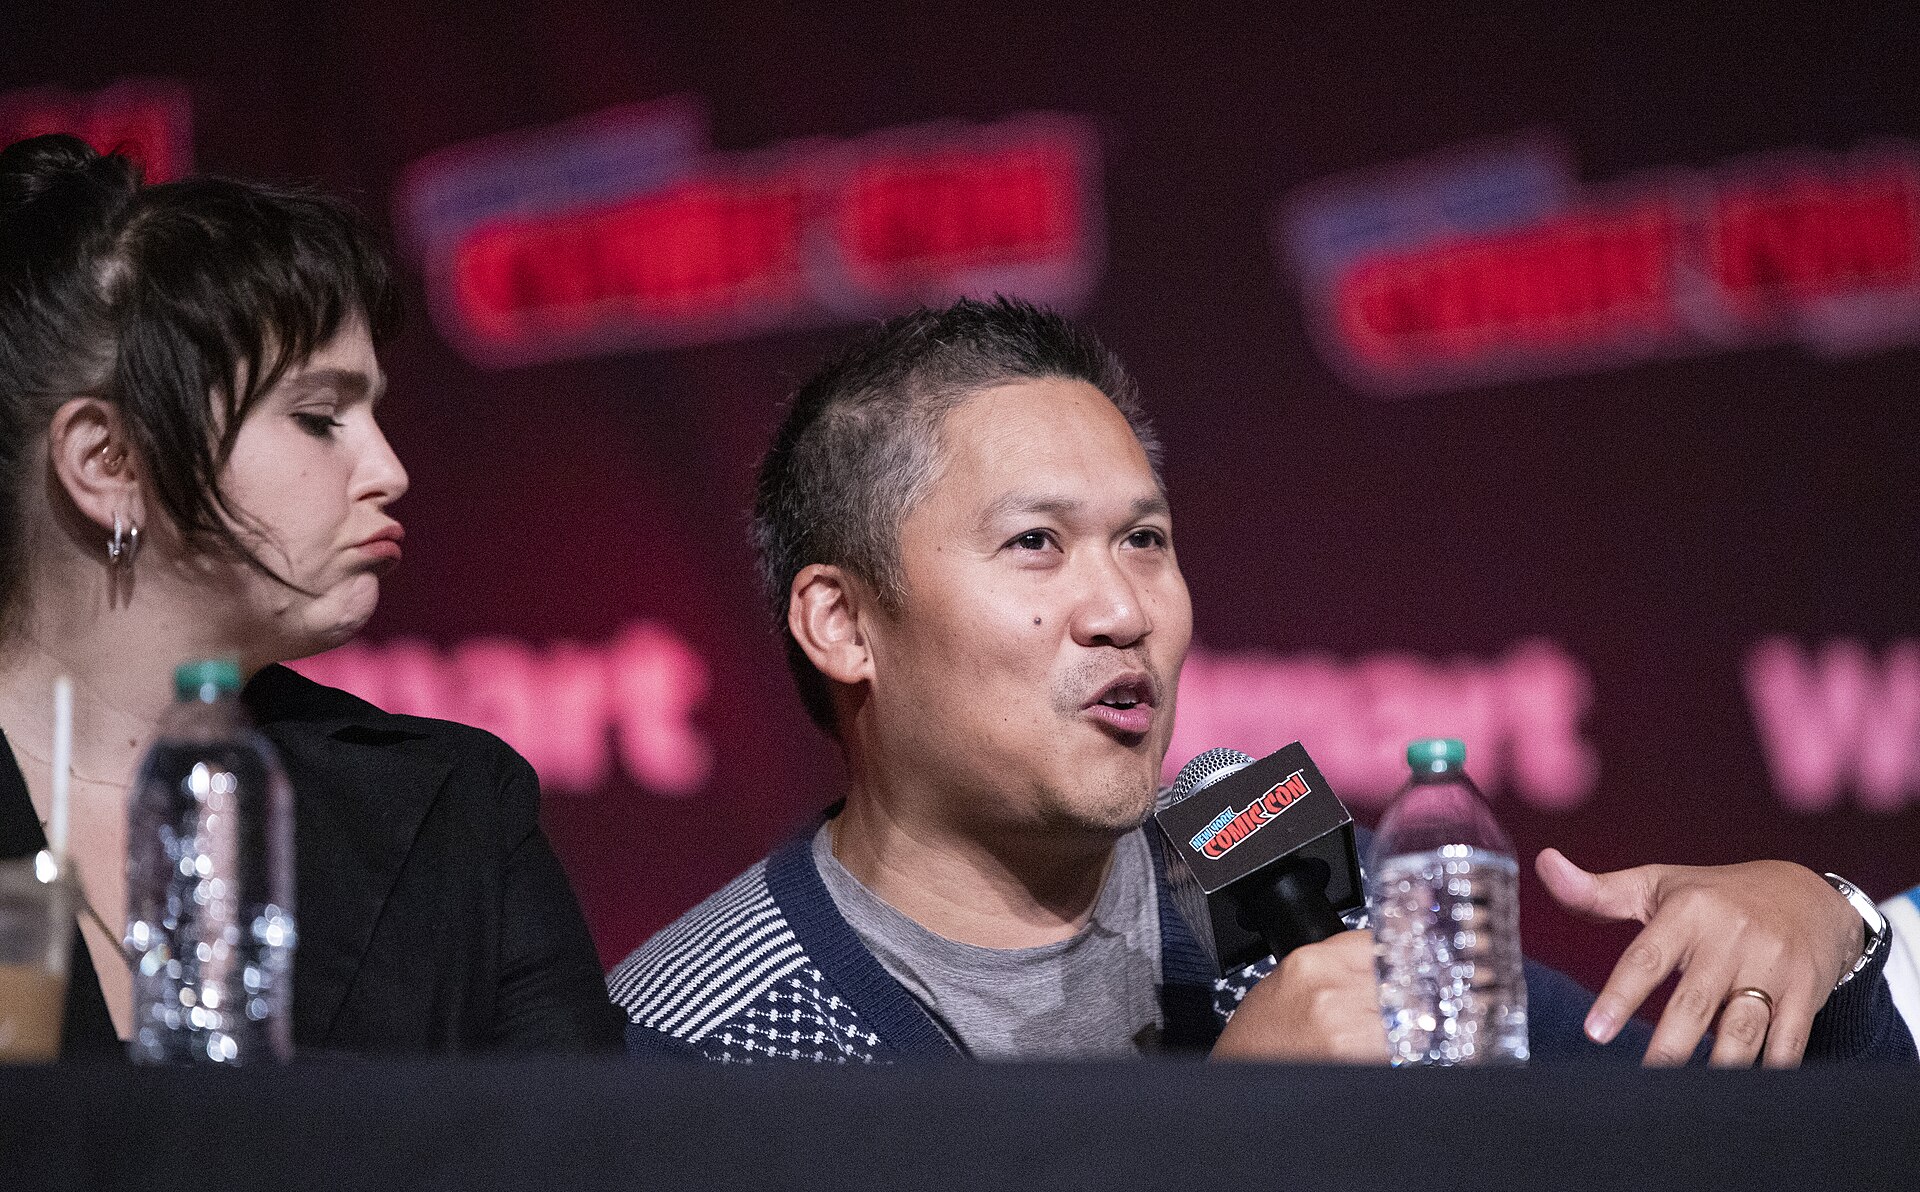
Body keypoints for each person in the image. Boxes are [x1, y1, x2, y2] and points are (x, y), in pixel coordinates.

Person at [611, 295, 1912, 1065]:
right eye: (1035, 545)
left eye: (1146, 541)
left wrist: (1830, 928)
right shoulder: (690, 1033)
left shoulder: (1247, 848)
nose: (1123, 610)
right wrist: (1232, 1143)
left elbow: (1620, 1124)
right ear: (842, 624)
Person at [0, 134, 622, 1054]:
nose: (391, 471)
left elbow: (582, 1155)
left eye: (375, 414)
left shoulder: (453, 812)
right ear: (109, 462)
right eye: (319, 418)